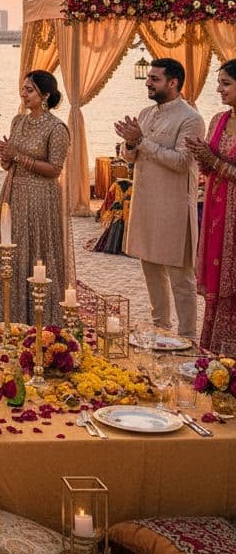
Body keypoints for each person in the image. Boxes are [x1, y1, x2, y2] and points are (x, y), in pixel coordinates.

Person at [115, 57, 204, 342]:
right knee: (151, 270)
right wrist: (129, 144)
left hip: (173, 207)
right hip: (145, 204)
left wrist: (141, 142)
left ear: (173, 82)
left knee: (181, 278)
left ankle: (187, 337)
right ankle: (160, 330)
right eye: (149, 78)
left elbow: (181, 162)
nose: (148, 82)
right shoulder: (146, 113)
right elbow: (129, 156)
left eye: (154, 78)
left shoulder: (191, 118)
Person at [0, 70, 71, 326]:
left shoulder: (57, 128)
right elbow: (9, 165)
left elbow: (54, 170)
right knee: (11, 249)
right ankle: (6, 314)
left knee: (36, 250)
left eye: (30, 90)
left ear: (46, 95)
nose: (24, 94)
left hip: (41, 197)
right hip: (14, 192)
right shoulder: (18, 121)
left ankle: (39, 317)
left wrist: (17, 155)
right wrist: (5, 156)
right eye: (23, 88)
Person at [187, 59, 236, 352]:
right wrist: (201, 156)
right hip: (218, 208)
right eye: (219, 83)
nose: (219, 89)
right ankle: (215, 347)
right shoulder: (218, 119)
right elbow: (209, 169)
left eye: (226, 83)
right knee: (218, 274)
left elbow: (219, 164)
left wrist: (214, 160)